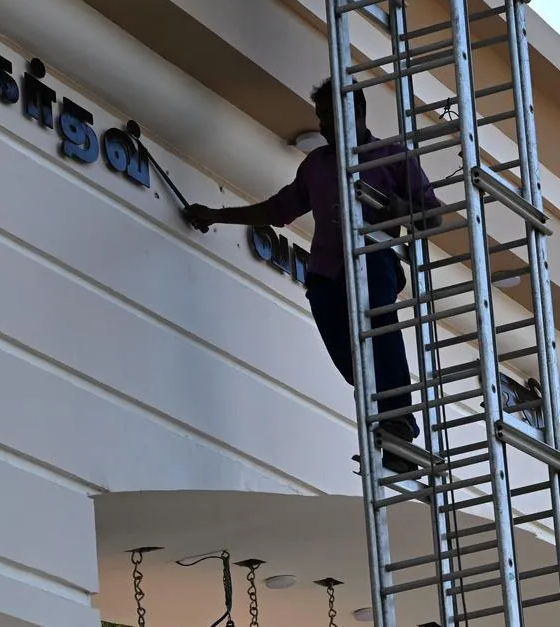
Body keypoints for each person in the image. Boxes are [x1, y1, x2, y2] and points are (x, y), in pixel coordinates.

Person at [183, 80, 442, 474]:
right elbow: (277, 209)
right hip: (326, 275)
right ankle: (387, 423)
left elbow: (432, 215)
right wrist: (216, 215)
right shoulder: (317, 165)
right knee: (351, 357)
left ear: (356, 113)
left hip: (374, 259)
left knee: (380, 324)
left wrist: (396, 208)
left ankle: (399, 419)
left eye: (328, 115)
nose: (322, 124)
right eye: (320, 116)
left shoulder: (393, 157)